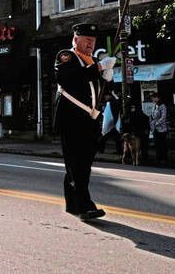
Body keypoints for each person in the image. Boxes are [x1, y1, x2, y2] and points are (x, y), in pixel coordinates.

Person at [54, 23, 116, 222]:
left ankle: (72, 204)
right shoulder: (67, 56)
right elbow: (69, 78)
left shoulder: (92, 62)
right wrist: (99, 68)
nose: (90, 42)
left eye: (93, 39)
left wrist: (108, 78)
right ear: (75, 39)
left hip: (90, 118)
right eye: (86, 38)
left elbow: (98, 91)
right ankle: (85, 206)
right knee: (76, 164)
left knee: (83, 164)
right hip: (70, 118)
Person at [98, 90, 122, 154]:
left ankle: (101, 150)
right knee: (117, 139)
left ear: (108, 96)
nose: (105, 97)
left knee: (103, 137)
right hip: (114, 123)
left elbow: (108, 114)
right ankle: (119, 151)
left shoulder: (109, 103)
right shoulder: (111, 102)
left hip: (110, 123)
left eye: (106, 96)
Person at [149, 93, 168, 164]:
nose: (152, 99)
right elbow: (151, 115)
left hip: (161, 129)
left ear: (157, 98)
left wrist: (157, 123)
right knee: (157, 144)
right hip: (154, 128)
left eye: (153, 98)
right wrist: (151, 122)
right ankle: (158, 158)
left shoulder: (162, 106)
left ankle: (164, 158)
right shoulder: (154, 106)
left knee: (162, 144)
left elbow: (163, 117)